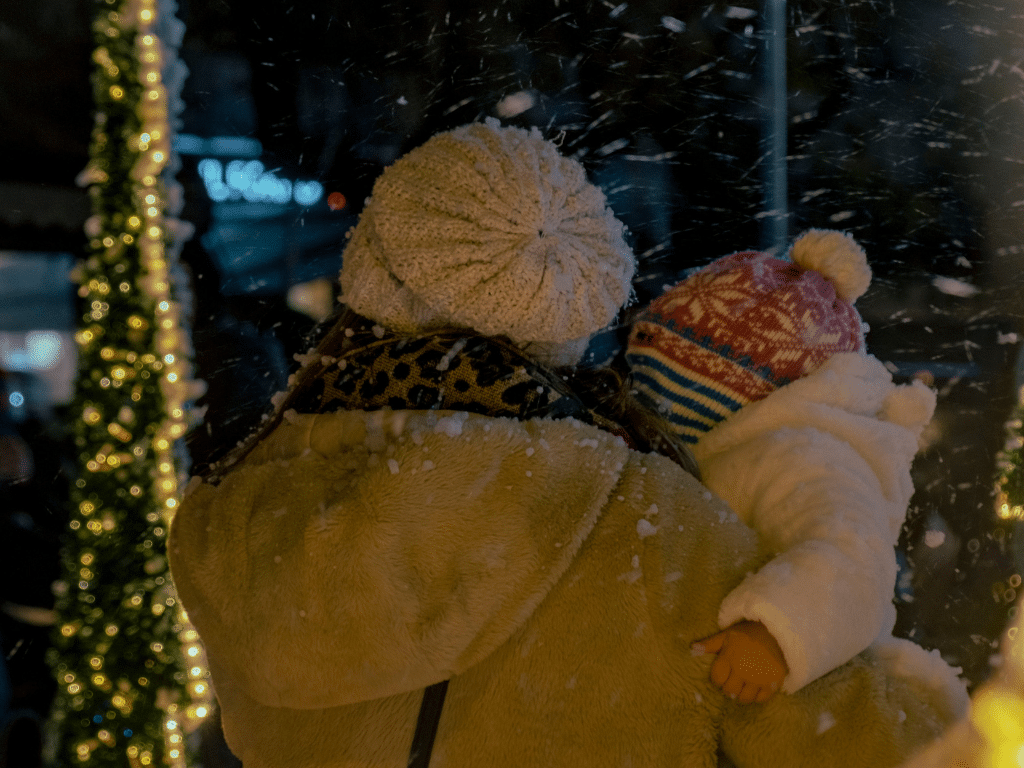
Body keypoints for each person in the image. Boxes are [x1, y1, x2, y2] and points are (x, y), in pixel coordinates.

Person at [169, 120, 963, 768]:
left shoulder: (242, 504)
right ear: (574, 312)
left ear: (371, 273)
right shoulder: (645, 521)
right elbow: (868, 746)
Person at [625, 229, 969, 708]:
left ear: (732, 392)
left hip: (781, 686)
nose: (647, 405)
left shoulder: (805, 456)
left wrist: (775, 631)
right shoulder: (715, 440)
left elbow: (853, 555)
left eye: (665, 389)